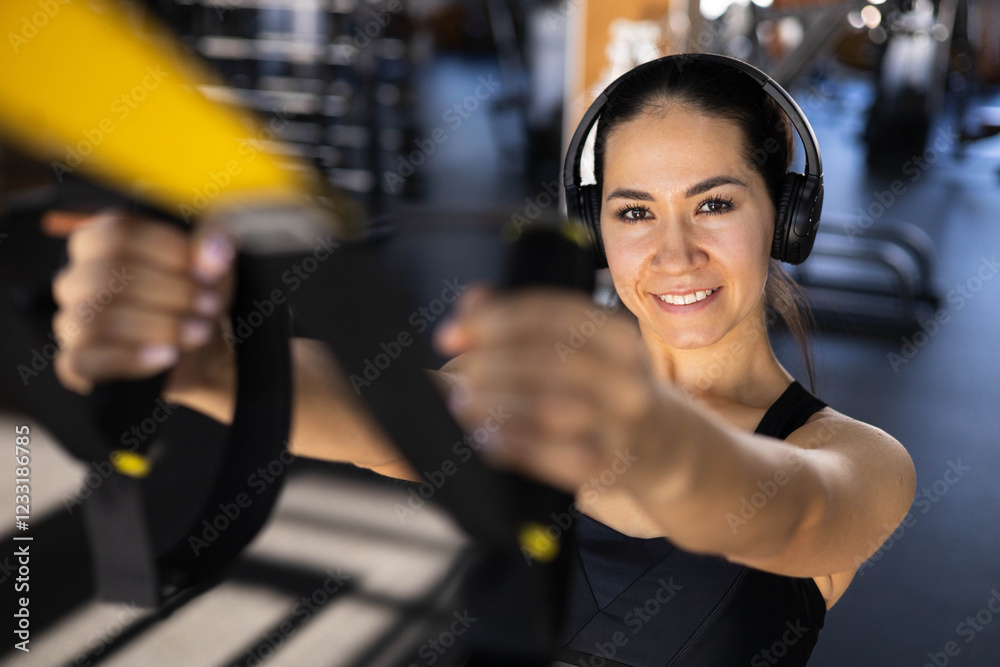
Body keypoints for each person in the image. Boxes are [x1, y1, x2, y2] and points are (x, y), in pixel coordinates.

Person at [52, 55, 916, 666]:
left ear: (785, 216)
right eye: (634, 212)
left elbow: (784, 514)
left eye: (715, 203)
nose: (674, 254)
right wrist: (181, 348)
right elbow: (330, 399)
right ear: (596, 231)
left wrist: (646, 427)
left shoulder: (857, 464)